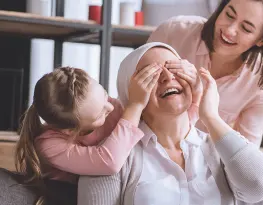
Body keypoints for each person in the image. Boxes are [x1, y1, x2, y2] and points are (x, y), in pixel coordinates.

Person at [77, 42, 263, 205]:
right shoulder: (111, 159)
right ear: (130, 94)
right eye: (151, 74)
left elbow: (260, 186)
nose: (167, 77)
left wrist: (210, 117)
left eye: (175, 68)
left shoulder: (219, 149)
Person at [147, 0, 263, 145]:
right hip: (149, 148)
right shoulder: (173, 32)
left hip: (206, 164)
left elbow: (246, 154)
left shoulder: (260, 84)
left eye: (246, 28)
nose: (229, 30)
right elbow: (131, 94)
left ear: (262, 40)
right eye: (229, 15)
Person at [14, 65, 160, 204]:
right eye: (99, 115)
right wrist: (135, 106)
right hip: (63, 195)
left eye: (105, 95)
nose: (110, 107)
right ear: (70, 130)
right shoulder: (48, 145)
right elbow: (109, 161)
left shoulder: (111, 107)